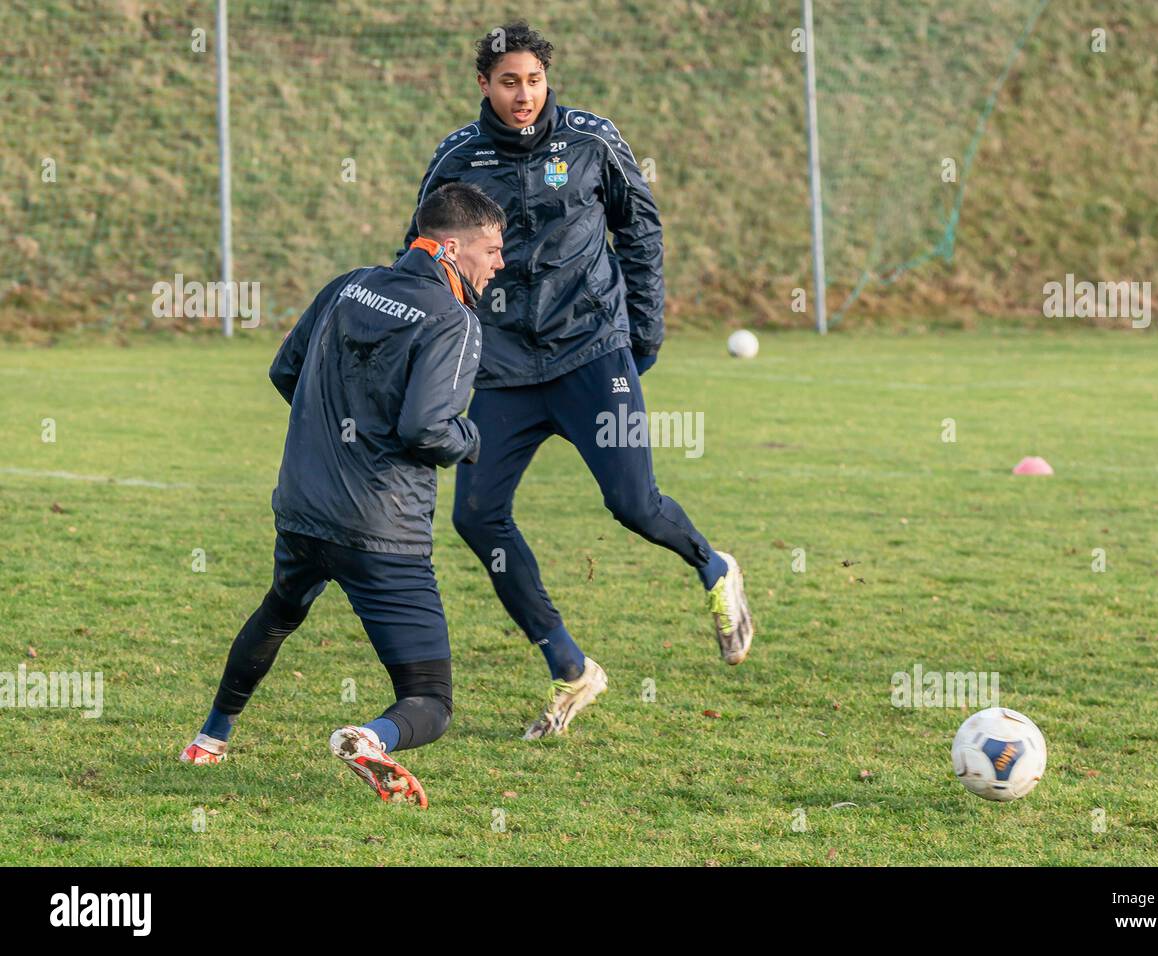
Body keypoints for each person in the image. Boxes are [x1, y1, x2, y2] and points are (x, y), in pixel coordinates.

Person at [401, 21, 754, 741]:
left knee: (633, 504)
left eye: (533, 80)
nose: (523, 94)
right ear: (483, 85)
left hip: (593, 352)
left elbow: (641, 231)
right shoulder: (457, 158)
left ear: (546, 78)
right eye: (507, 82)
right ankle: (570, 667)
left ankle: (714, 567)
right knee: (476, 517)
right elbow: (423, 255)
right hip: (502, 367)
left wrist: (642, 333)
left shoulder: (592, 140)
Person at [180, 183, 505, 807]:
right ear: (450, 248)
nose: (499, 264)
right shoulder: (455, 321)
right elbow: (425, 428)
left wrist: (331, 440)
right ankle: (370, 736)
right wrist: (469, 438)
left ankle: (210, 737)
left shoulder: (346, 284)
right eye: (491, 250)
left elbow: (284, 372)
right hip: (382, 530)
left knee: (280, 610)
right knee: (430, 700)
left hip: (304, 509)